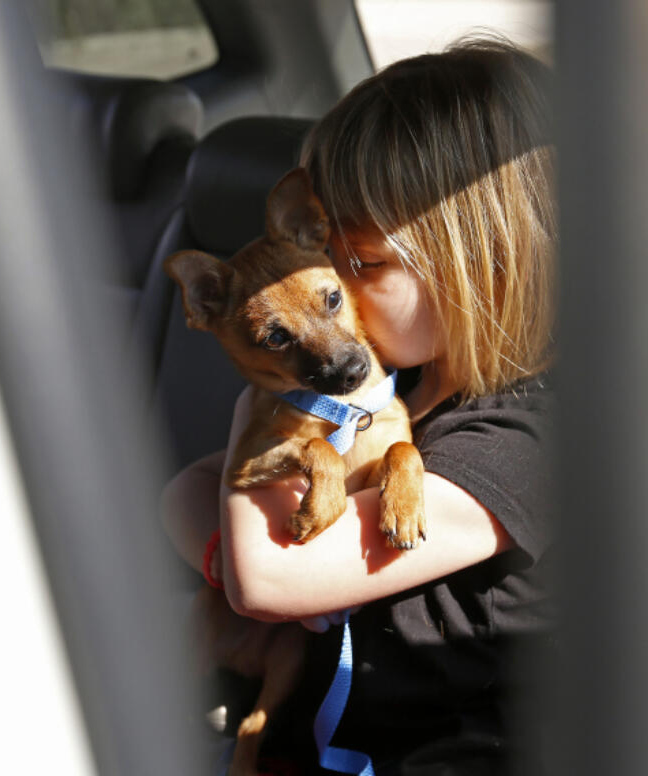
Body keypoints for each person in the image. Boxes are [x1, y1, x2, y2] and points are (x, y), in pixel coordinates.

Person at [160, 38, 557, 775]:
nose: (324, 287)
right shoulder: (395, 388)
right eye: (322, 251)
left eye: (358, 266)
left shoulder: (523, 444)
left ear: (480, 265)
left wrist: (262, 393)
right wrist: (225, 558)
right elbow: (184, 495)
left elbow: (269, 578)